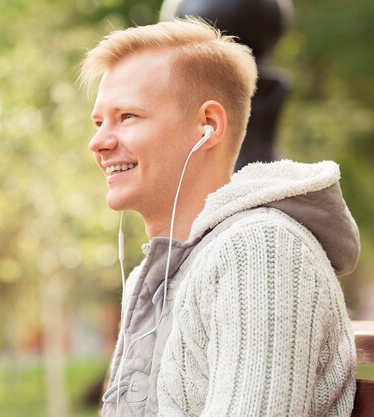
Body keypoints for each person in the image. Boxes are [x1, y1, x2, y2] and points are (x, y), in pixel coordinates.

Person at [79, 17, 360, 416]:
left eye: (127, 117)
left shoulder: (260, 252)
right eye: (98, 122)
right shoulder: (152, 278)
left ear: (208, 126)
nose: (99, 142)